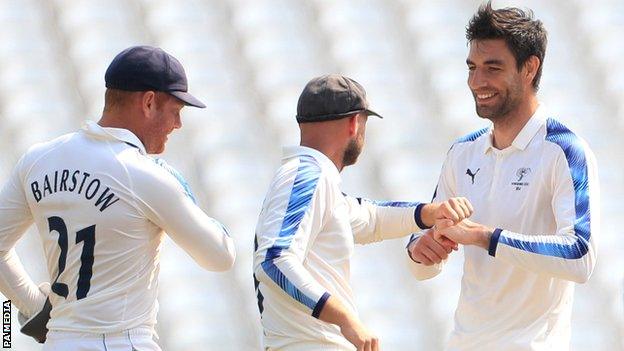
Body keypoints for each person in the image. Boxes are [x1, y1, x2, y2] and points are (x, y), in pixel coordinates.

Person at [0, 46, 236, 350]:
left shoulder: (38, 158)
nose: (178, 125)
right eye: (175, 112)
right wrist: (178, 183)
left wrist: (33, 305)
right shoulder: (144, 174)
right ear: (149, 102)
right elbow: (219, 256)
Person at [406, 3, 600, 350]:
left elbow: (580, 255)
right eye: (472, 68)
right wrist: (423, 251)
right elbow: (421, 261)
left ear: (530, 68)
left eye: (492, 68)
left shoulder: (565, 150)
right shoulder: (461, 153)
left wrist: (484, 236)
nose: (477, 82)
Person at [254, 74, 473, 351]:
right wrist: (346, 319)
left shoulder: (311, 178)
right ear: (354, 123)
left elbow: (370, 218)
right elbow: (274, 260)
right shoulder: (309, 175)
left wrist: (431, 213)